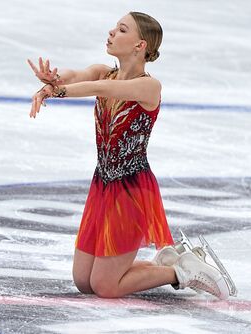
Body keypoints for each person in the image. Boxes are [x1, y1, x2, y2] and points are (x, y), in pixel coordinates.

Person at [27, 12, 232, 299]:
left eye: (121, 30)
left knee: (105, 286)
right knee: (84, 281)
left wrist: (58, 91)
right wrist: (51, 83)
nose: (111, 32)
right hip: (102, 185)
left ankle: (183, 271)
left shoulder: (149, 87)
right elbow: (75, 77)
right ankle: (166, 262)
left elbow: (101, 89)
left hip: (131, 190)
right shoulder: (102, 70)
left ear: (140, 45)